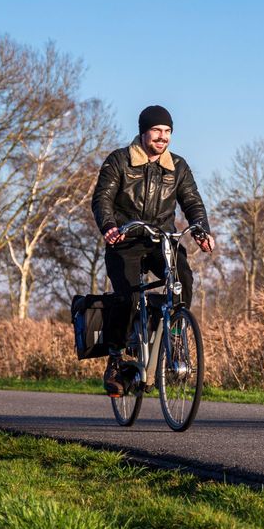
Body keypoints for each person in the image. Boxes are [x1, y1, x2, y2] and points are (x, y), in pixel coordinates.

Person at [92, 104, 215, 396]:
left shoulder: (178, 167)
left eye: (168, 131)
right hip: (125, 240)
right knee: (128, 297)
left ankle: (172, 333)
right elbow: (102, 199)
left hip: (162, 240)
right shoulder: (119, 161)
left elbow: (192, 201)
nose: (163, 137)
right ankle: (116, 359)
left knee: (182, 278)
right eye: (157, 130)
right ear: (144, 131)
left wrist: (200, 228)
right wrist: (109, 225)